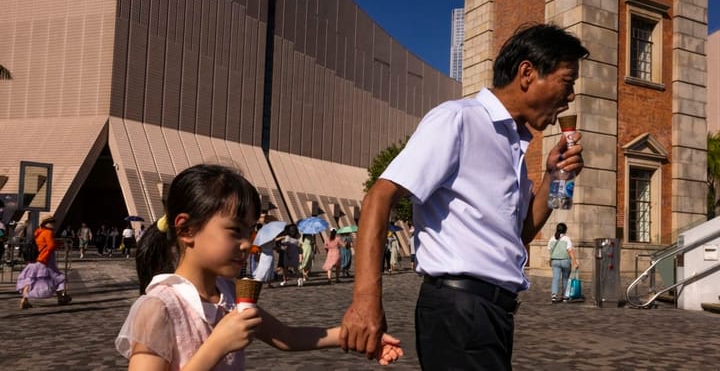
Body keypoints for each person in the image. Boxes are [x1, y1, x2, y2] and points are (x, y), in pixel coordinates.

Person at [339, 23, 588, 370]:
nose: (571, 96)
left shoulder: (513, 144)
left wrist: (554, 177)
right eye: (567, 82)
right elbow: (379, 197)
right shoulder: (459, 119)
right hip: (459, 311)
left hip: (493, 315)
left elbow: (517, 238)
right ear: (527, 73)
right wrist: (365, 301)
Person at [116, 164, 403, 370]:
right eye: (235, 231)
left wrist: (358, 337)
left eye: (251, 230)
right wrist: (217, 345)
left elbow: (287, 337)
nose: (247, 243)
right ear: (186, 228)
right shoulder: (158, 307)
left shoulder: (227, 293)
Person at [16, 216, 72, 309]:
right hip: (45, 260)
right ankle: (61, 298)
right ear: (45, 223)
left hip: (35, 259)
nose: (52, 223)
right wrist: (59, 244)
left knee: (30, 279)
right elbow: (50, 246)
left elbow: (43, 244)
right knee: (57, 278)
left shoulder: (39, 232)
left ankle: (24, 300)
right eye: (50, 222)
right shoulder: (48, 232)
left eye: (53, 222)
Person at [547, 222, 579, 303]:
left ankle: (554, 295)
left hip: (555, 261)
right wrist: (574, 262)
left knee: (555, 278)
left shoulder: (552, 238)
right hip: (565, 261)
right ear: (565, 230)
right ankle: (565, 296)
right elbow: (570, 251)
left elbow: (550, 250)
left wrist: (552, 259)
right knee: (565, 279)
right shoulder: (566, 239)